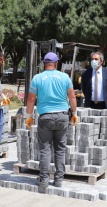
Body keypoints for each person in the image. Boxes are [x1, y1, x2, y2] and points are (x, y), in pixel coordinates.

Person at [25, 52, 78, 193]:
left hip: (46, 117)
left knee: (45, 149)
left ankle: (44, 180)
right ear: (56, 63)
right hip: (62, 117)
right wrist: (74, 113)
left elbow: (30, 99)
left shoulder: (37, 78)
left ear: (44, 63)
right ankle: (59, 179)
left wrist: (28, 116)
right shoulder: (65, 77)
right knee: (60, 149)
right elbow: (72, 96)